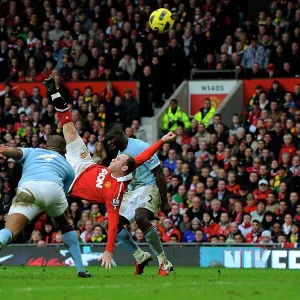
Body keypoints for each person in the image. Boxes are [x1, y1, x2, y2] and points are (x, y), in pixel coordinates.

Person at [43, 74, 176, 271]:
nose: (115, 156)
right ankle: (140, 255)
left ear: (123, 168)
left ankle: (163, 261)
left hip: (71, 181)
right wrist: (162, 140)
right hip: (84, 163)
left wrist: (109, 250)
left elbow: (113, 222)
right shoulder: (116, 163)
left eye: (119, 158)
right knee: (69, 128)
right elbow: (67, 119)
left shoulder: (114, 190)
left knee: (135, 219)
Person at [0, 135, 90, 278]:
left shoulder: (33, 151)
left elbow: (16, 152)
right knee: (65, 225)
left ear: (45, 145)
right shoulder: (68, 167)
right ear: (64, 149)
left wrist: (5, 151)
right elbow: (63, 191)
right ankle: (81, 269)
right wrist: (45, 206)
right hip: (53, 188)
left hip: (28, 187)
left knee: (10, 231)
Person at [105, 123, 174, 276]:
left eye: (111, 139)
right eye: (107, 140)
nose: (109, 142)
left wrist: (165, 200)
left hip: (150, 187)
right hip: (132, 192)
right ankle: (140, 256)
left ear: (120, 134)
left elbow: (159, 172)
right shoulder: (119, 154)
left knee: (141, 217)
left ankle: (163, 262)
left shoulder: (140, 146)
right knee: (111, 224)